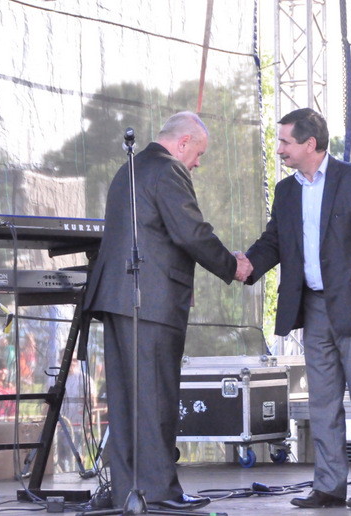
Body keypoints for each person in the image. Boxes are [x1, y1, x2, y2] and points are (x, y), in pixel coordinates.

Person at [83, 111, 252, 511]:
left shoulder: (127, 170)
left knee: (126, 402)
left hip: (120, 299)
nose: (198, 163)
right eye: (198, 153)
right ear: (183, 143)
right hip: (151, 301)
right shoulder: (168, 170)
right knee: (156, 399)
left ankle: (128, 492)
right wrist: (232, 265)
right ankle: (159, 492)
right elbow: (190, 231)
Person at [245, 108, 351, 510]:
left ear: (310, 144)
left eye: (285, 142)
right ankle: (329, 486)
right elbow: (274, 241)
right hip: (312, 308)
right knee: (322, 402)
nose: (279, 149)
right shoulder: (286, 190)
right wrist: (244, 265)